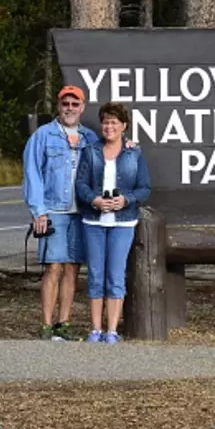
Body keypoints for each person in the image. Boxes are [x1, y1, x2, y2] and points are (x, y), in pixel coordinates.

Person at [22, 85, 98, 341]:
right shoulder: (43, 136)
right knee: (53, 267)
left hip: (81, 213)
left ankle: (63, 323)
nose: (70, 108)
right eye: (65, 103)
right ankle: (45, 324)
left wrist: (129, 145)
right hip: (54, 210)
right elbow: (32, 173)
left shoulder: (90, 138)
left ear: (82, 108)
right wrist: (38, 211)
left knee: (72, 269)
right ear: (58, 105)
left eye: (75, 104)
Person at [75, 101, 151, 343]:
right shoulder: (91, 151)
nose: (109, 127)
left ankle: (112, 331)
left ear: (123, 126)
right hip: (94, 220)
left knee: (115, 276)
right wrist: (95, 200)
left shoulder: (133, 153)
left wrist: (126, 200)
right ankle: (95, 329)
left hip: (123, 222)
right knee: (96, 275)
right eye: (106, 122)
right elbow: (81, 185)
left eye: (114, 122)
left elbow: (144, 188)